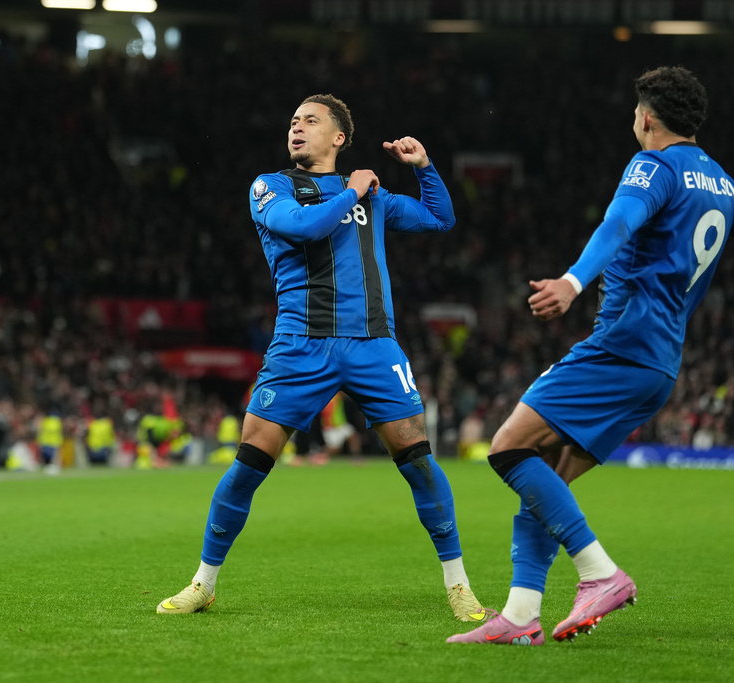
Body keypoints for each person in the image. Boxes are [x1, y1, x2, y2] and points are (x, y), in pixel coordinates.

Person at [448, 66, 734, 646]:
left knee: (507, 448)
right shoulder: (723, 184)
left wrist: (572, 282)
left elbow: (619, 221)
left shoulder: (654, 166)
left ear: (647, 118)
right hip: (658, 365)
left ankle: (600, 573)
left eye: (635, 112)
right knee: (545, 485)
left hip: (621, 346)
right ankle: (522, 617)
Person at [157, 94, 487, 622]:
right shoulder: (272, 186)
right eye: (293, 121)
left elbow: (439, 219)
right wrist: (353, 189)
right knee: (248, 466)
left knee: (420, 464)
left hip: (373, 344)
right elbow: (304, 228)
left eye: (310, 121)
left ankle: (459, 586)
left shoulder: (374, 197)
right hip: (300, 345)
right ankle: (204, 583)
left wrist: (424, 167)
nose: (297, 127)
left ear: (338, 137)